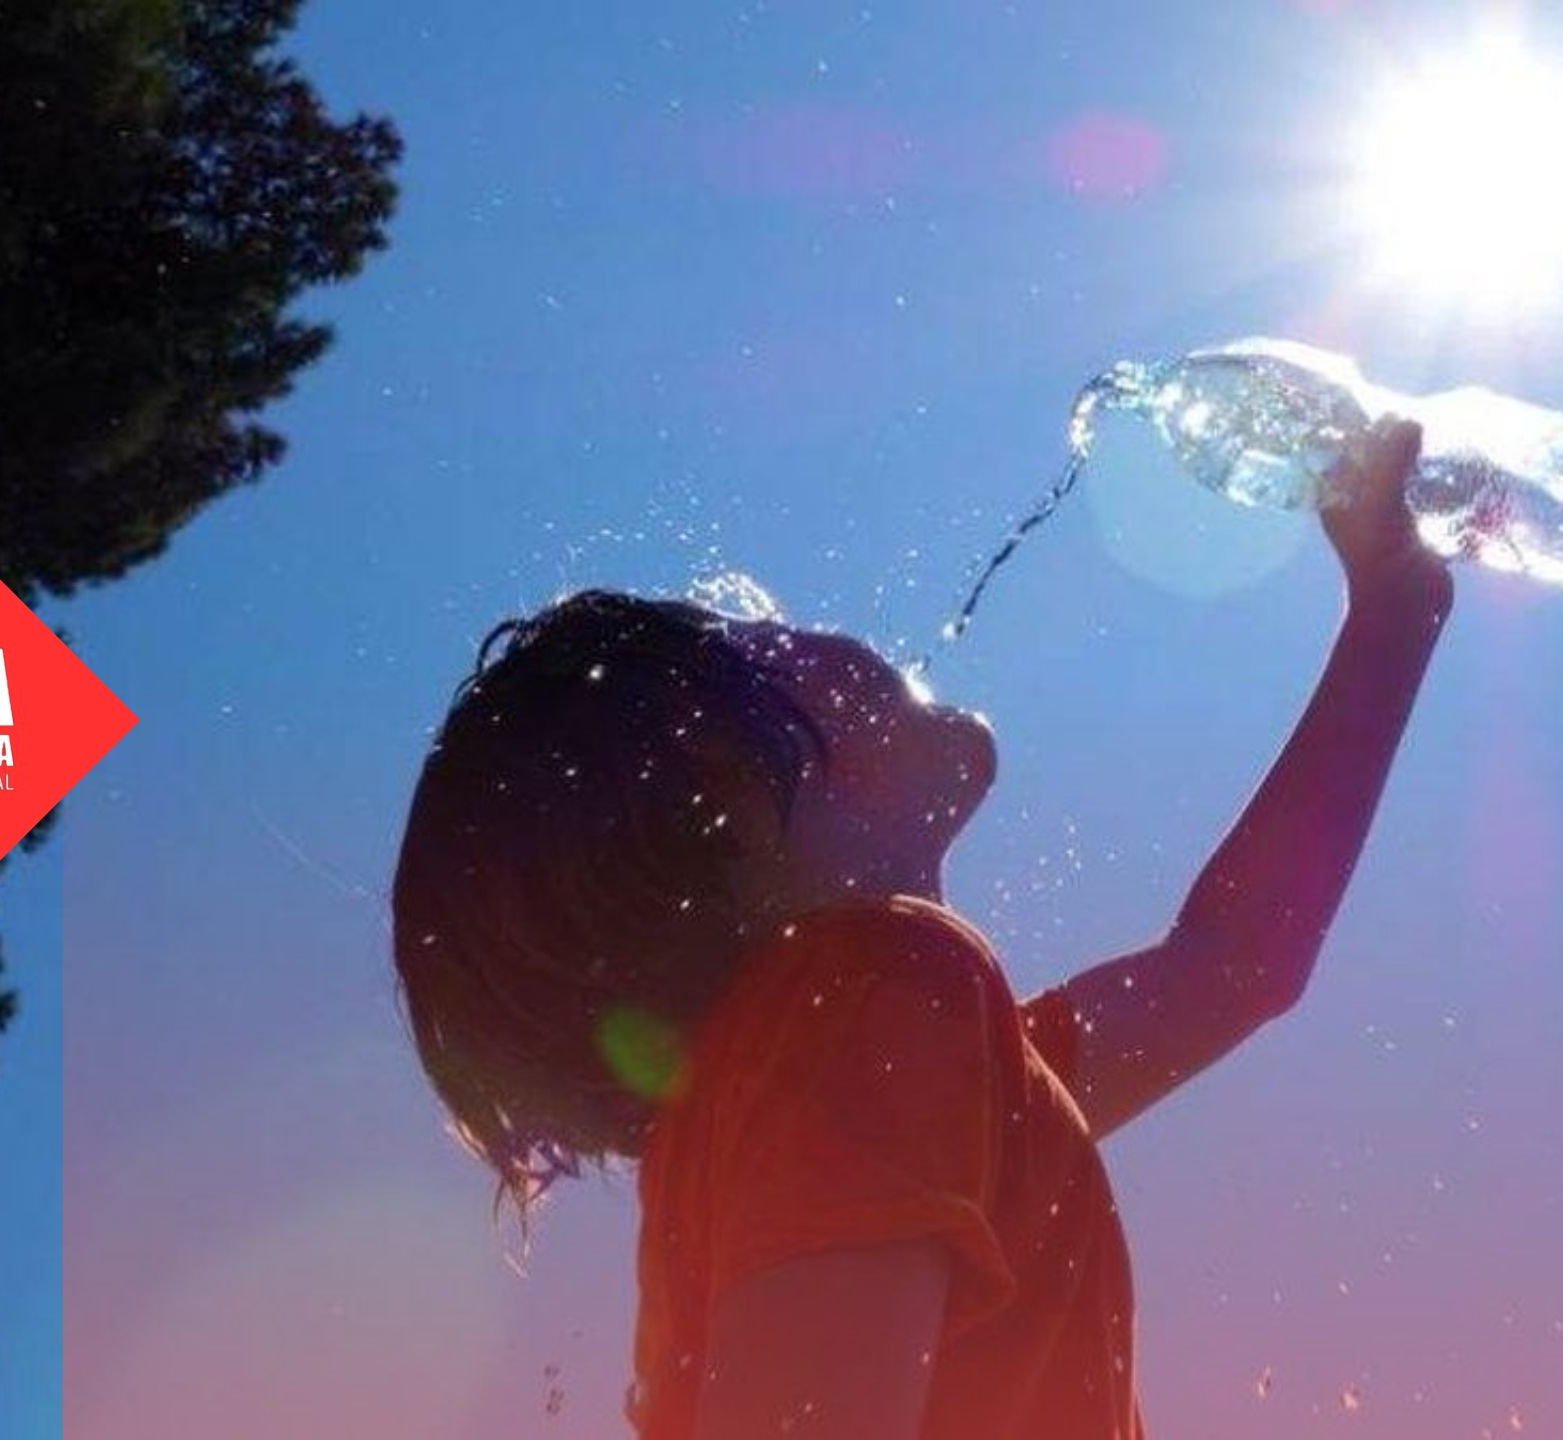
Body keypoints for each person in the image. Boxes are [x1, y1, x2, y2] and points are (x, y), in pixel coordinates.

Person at [391, 417, 1451, 1438]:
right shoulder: (860, 1008)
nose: (809, 631)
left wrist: (1395, 610)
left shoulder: (875, 1078)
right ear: (726, 801)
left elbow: (1234, 964)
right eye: (760, 641)